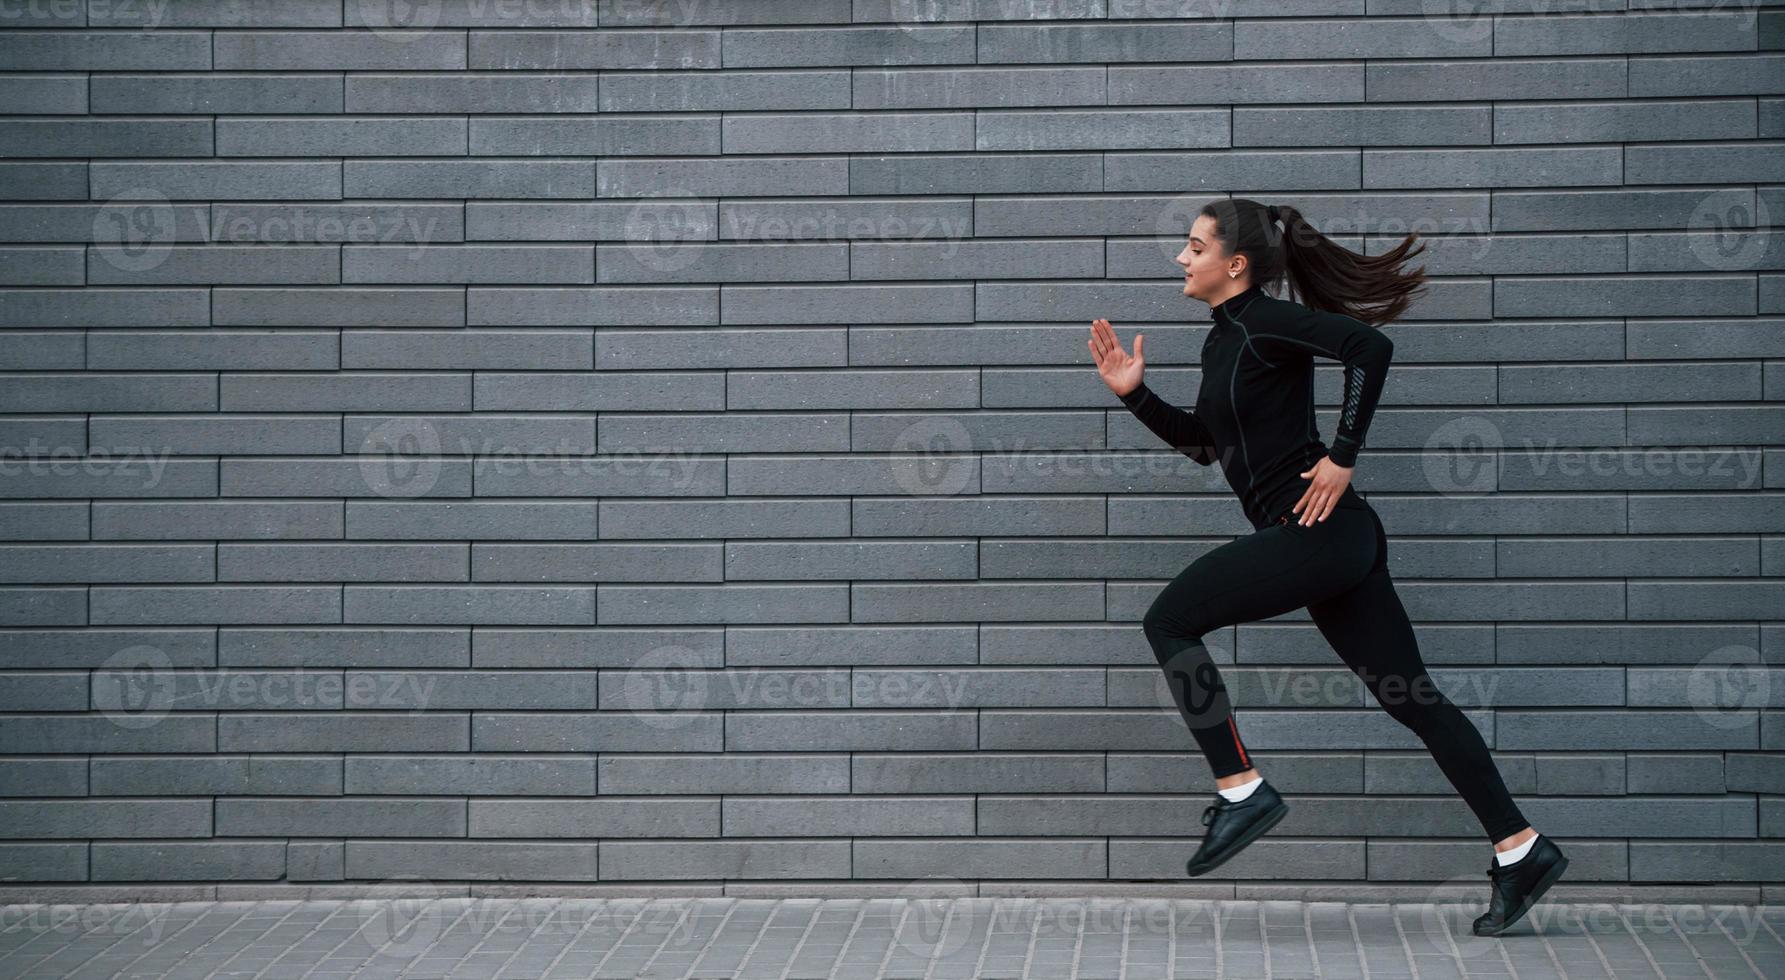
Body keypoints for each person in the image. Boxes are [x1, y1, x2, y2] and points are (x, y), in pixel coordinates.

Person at [1087, 198, 1567, 937]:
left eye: (1192, 247)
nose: (1180, 259)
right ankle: (1520, 848)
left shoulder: (1265, 321)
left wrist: (1341, 457)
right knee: (1413, 698)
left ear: (1234, 263)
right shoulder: (1226, 343)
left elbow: (1369, 350)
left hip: (1319, 531)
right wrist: (1134, 394)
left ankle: (1240, 788)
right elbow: (1206, 444)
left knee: (1169, 620)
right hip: (1333, 542)